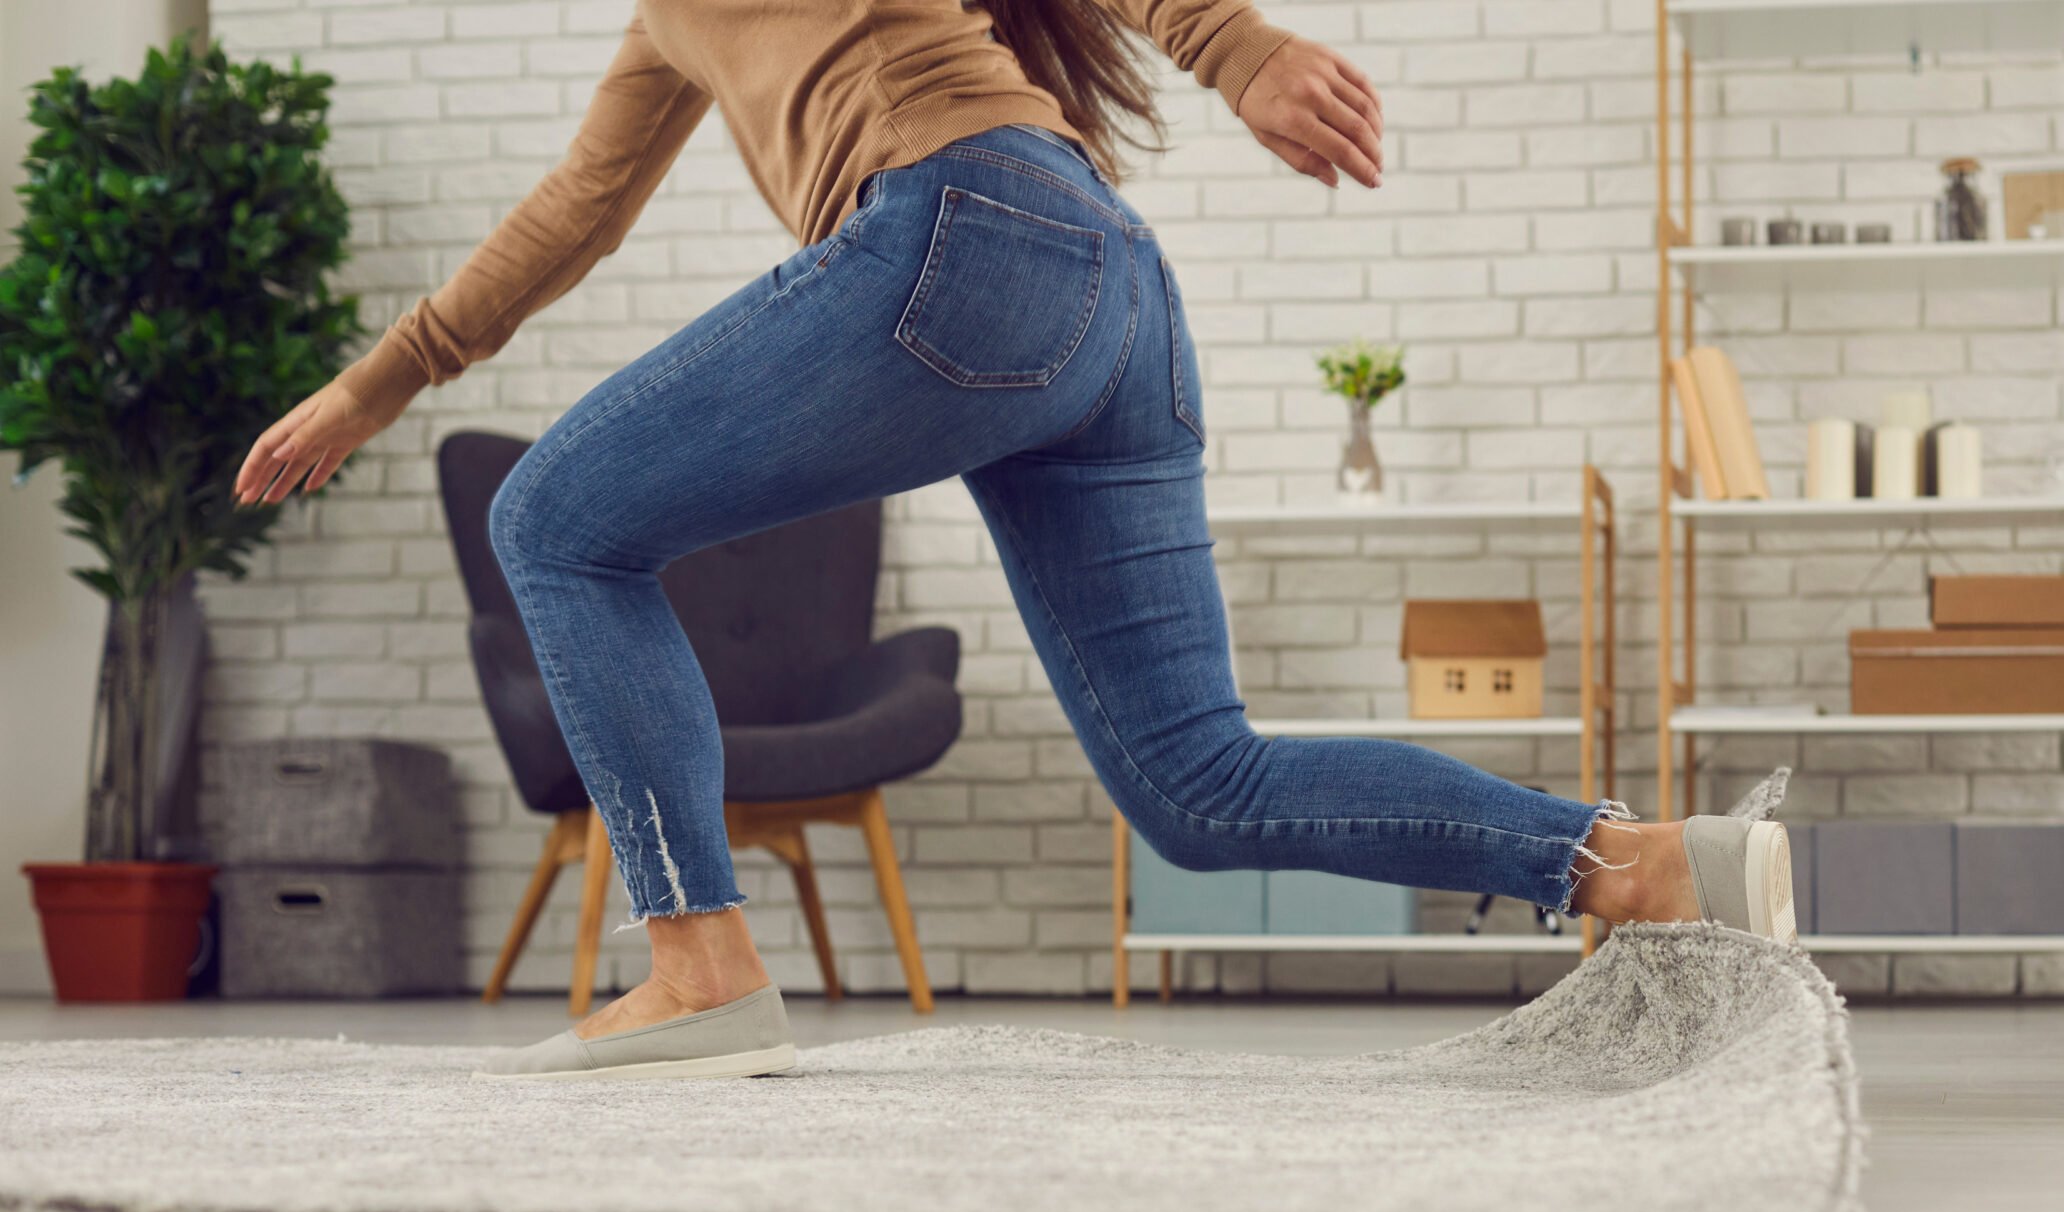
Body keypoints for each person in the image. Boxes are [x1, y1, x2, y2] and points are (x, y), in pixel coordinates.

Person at [232, 0, 1793, 1082]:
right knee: (1199, 787)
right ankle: (1642, 863)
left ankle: (700, 968)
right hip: (1106, 287)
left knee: (553, 522)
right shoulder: (664, 26)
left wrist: (1234, 48)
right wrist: (380, 384)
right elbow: (573, 209)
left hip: (966, 238)